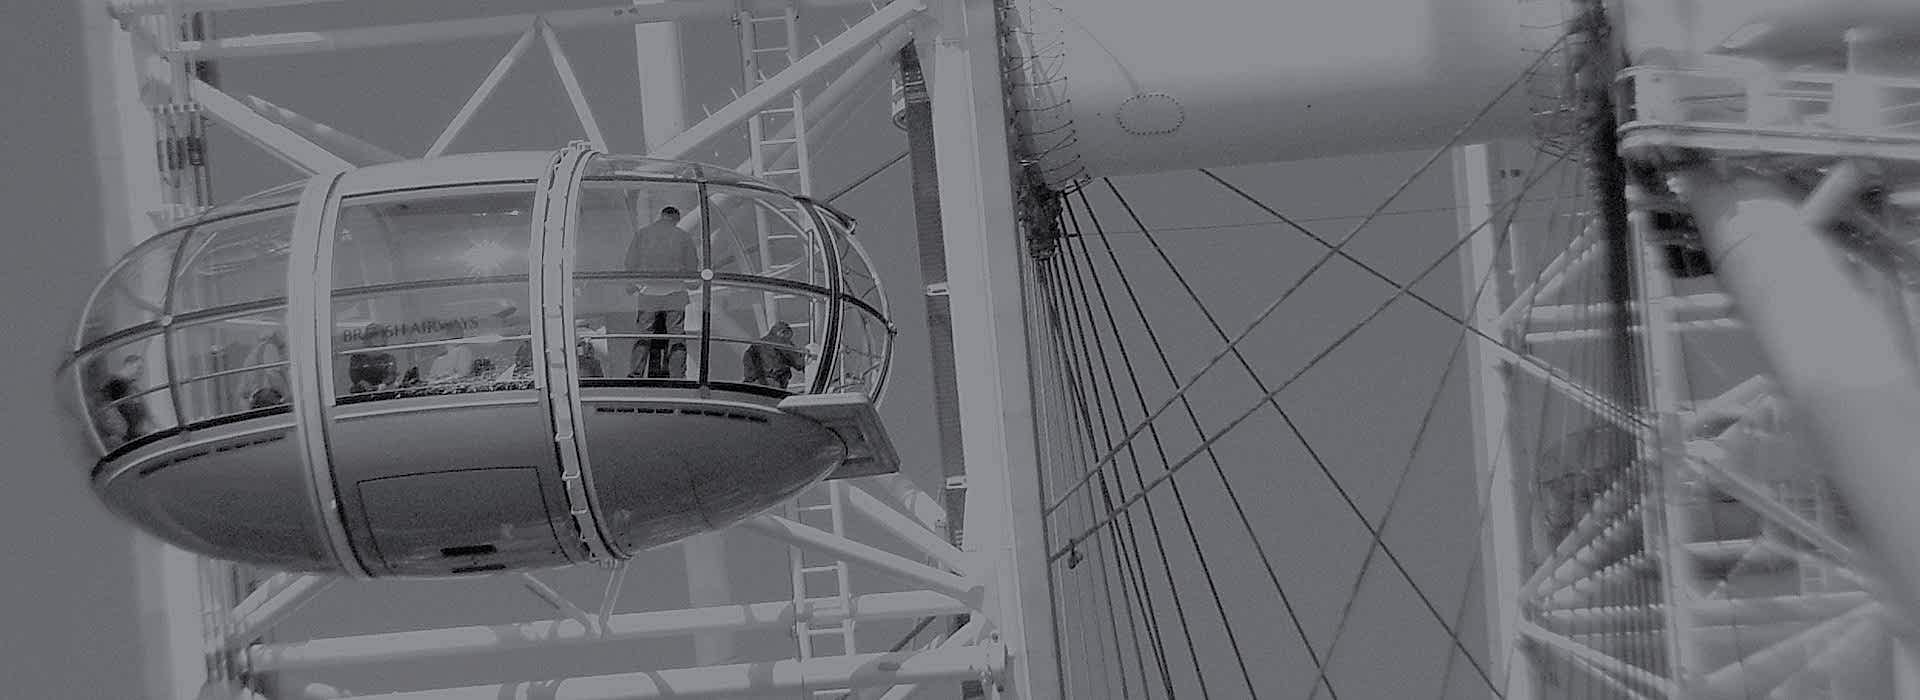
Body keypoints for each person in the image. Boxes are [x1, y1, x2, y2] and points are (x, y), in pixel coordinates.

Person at [624, 206, 699, 379]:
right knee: (676, 336)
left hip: (648, 292)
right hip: (675, 293)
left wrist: (632, 284)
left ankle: (635, 374)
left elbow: (630, 261)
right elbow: (692, 266)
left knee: (643, 334)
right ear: (676, 218)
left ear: (661, 215)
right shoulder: (683, 236)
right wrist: (692, 283)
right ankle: (677, 375)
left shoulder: (643, 234)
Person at [742, 322, 808, 389]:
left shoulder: (756, 344)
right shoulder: (780, 341)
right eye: (788, 336)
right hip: (771, 383)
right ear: (781, 333)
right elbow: (799, 363)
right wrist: (807, 352)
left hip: (750, 385)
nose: (790, 340)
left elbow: (747, 359)